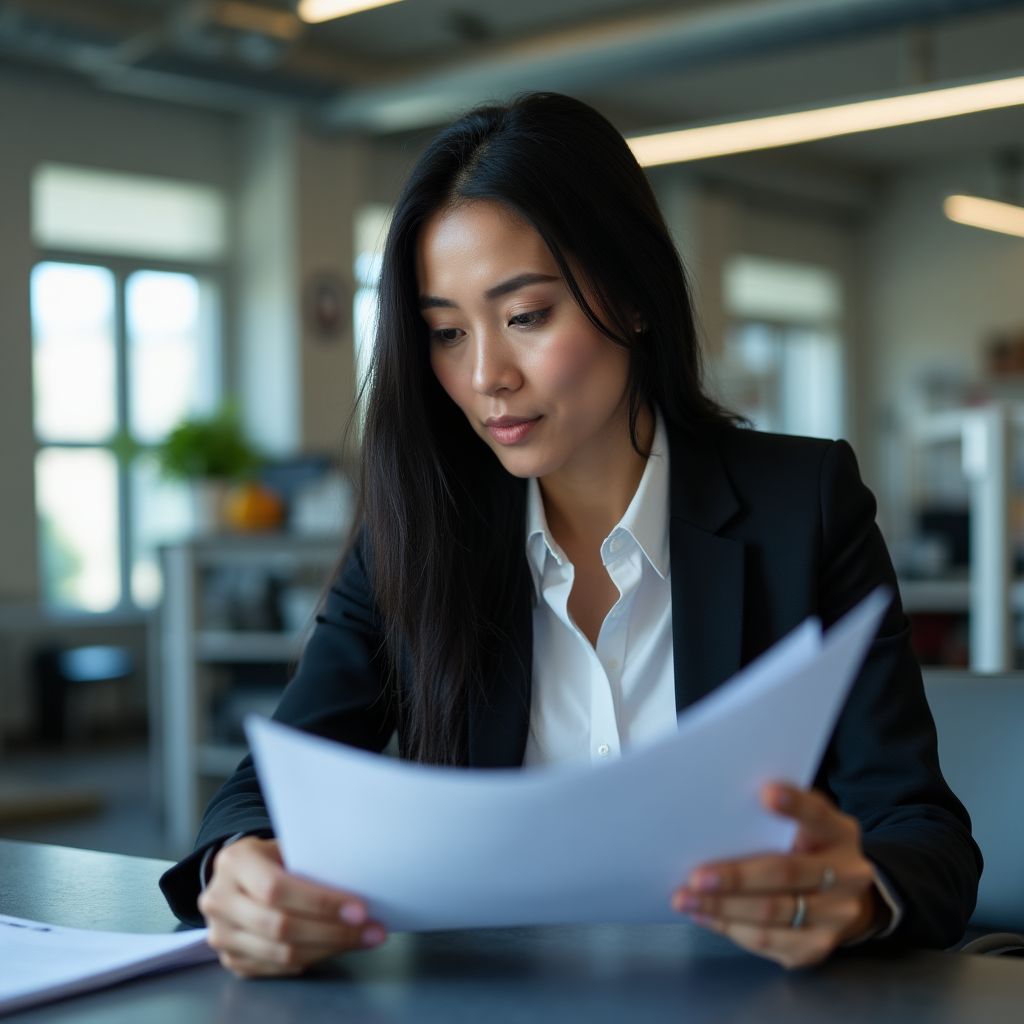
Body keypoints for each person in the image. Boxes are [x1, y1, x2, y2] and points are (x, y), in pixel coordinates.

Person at [159, 92, 981, 976]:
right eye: (444, 331)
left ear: (629, 297)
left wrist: (854, 895)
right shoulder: (422, 535)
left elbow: (921, 833)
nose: (484, 377)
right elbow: (266, 790)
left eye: (526, 316)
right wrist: (239, 868)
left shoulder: (803, 506)